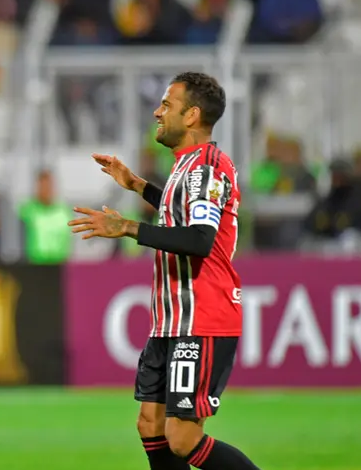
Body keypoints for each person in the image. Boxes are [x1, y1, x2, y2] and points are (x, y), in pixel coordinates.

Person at [68, 72, 262, 470]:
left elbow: (199, 239)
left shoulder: (206, 168)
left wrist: (127, 227)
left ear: (192, 115)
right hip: (171, 319)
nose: (157, 112)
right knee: (151, 425)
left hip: (202, 316)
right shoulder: (186, 165)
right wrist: (137, 185)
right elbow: (179, 212)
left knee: (182, 438)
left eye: (167, 105)